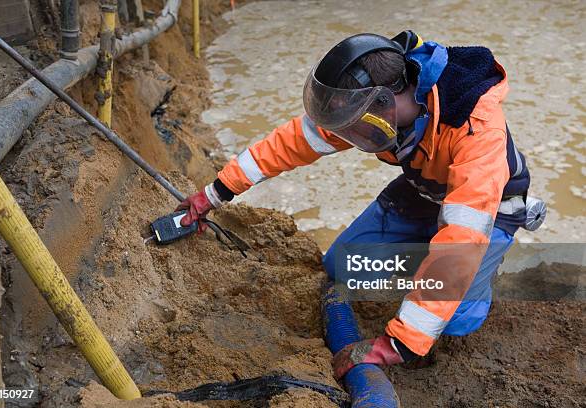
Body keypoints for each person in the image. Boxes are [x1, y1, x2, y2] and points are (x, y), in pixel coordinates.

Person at [177, 31, 531, 379]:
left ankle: (479, 283)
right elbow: (293, 142)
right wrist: (214, 194)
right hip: (424, 190)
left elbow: (462, 242)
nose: (349, 132)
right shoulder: (377, 101)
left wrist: (396, 345)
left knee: (453, 318)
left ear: (386, 100)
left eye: (355, 123)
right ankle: (426, 260)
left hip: (489, 209)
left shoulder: (476, 127)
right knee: (342, 267)